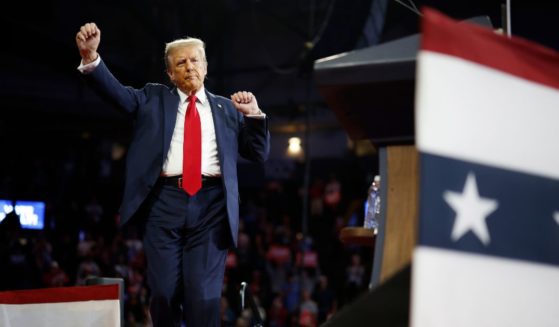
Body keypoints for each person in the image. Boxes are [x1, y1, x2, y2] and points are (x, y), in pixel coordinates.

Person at [75, 22, 270, 326]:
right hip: (163, 204)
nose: (189, 66)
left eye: (195, 60)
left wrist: (255, 115)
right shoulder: (152, 98)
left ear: (205, 67)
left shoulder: (227, 109)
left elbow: (257, 153)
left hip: (211, 206)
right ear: (169, 74)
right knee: (164, 295)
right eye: (181, 62)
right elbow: (118, 95)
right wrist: (91, 59)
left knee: (202, 296)